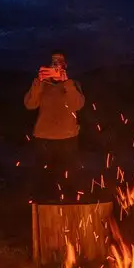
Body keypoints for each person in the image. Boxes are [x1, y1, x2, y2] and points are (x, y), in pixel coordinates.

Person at [23, 51, 85, 200]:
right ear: (49, 66)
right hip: (44, 138)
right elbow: (30, 105)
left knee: (69, 179)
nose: (56, 66)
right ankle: (43, 212)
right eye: (54, 63)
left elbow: (77, 105)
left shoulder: (73, 84)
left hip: (68, 138)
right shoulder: (42, 84)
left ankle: (70, 209)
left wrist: (67, 83)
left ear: (65, 66)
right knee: (44, 179)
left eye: (60, 63)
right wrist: (39, 82)